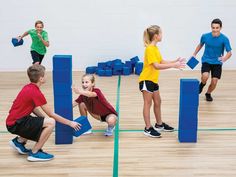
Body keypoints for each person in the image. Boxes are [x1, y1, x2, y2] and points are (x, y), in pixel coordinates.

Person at [6, 65, 80, 162]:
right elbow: (51, 114)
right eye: (44, 75)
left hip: (13, 122)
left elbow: (33, 108)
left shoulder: (28, 87)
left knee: (44, 122)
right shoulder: (36, 93)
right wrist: (70, 123)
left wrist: (43, 120)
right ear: (41, 79)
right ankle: (35, 152)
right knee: (51, 122)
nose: (46, 77)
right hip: (16, 124)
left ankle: (19, 142)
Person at [139, 25, 185, 138]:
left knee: (158, 102)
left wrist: (175, 62)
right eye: (161, 33)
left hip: (153, 80)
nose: (162, 35)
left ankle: (159, 125)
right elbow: (156, 66)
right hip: (146, 79)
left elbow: (161, 61)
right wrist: (173, 65)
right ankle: (148, 128)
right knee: (147, 103)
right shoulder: (149, 49)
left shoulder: (155, 48)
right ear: (156, 36)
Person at [193, 18, 232, 101]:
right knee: (205, 76)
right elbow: (200, 45)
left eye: (217, 28)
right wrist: (194, 54)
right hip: (206, 60)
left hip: (217, 62)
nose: (215, 30)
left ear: (220, 28)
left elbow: (229, 52)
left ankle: (208, 93)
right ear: (211, 27)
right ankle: (202, 84)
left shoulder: (224, 39)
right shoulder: (205, 36)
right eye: (213, 27)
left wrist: (224, 58)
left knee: (214, 81)